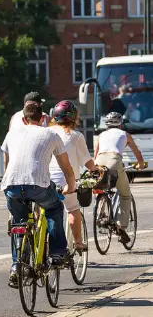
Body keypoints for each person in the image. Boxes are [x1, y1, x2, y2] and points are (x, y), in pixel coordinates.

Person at [1, 101, 76, 287]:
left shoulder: (11, 134)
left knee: (19, 223)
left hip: (11, 185)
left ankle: (17, 265)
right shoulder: (50, 134)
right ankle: (58, 252)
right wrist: (71, 186)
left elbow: (7, 163)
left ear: (24, 119)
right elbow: (66, 168)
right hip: (38, 185)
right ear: (43, 118)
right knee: (55, 207)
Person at [48, 101, 100, 249]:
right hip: (66, 180)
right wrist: (96, 171)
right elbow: (87, 161)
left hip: (46, 178)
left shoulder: (47, 132)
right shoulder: (76, 136)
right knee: (72, 209)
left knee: (43, 207)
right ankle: (78, 242)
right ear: (74, 117)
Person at [94, 111, 145, 243]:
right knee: (125, 194)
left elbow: (95, 154)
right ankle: (120, 226)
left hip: (99, 161)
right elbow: (136, 152)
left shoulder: (101, 135)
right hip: (114, 160)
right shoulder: (124, 134)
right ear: (120, 124)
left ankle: (100, 213)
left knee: (101, 186)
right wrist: (140, 164)